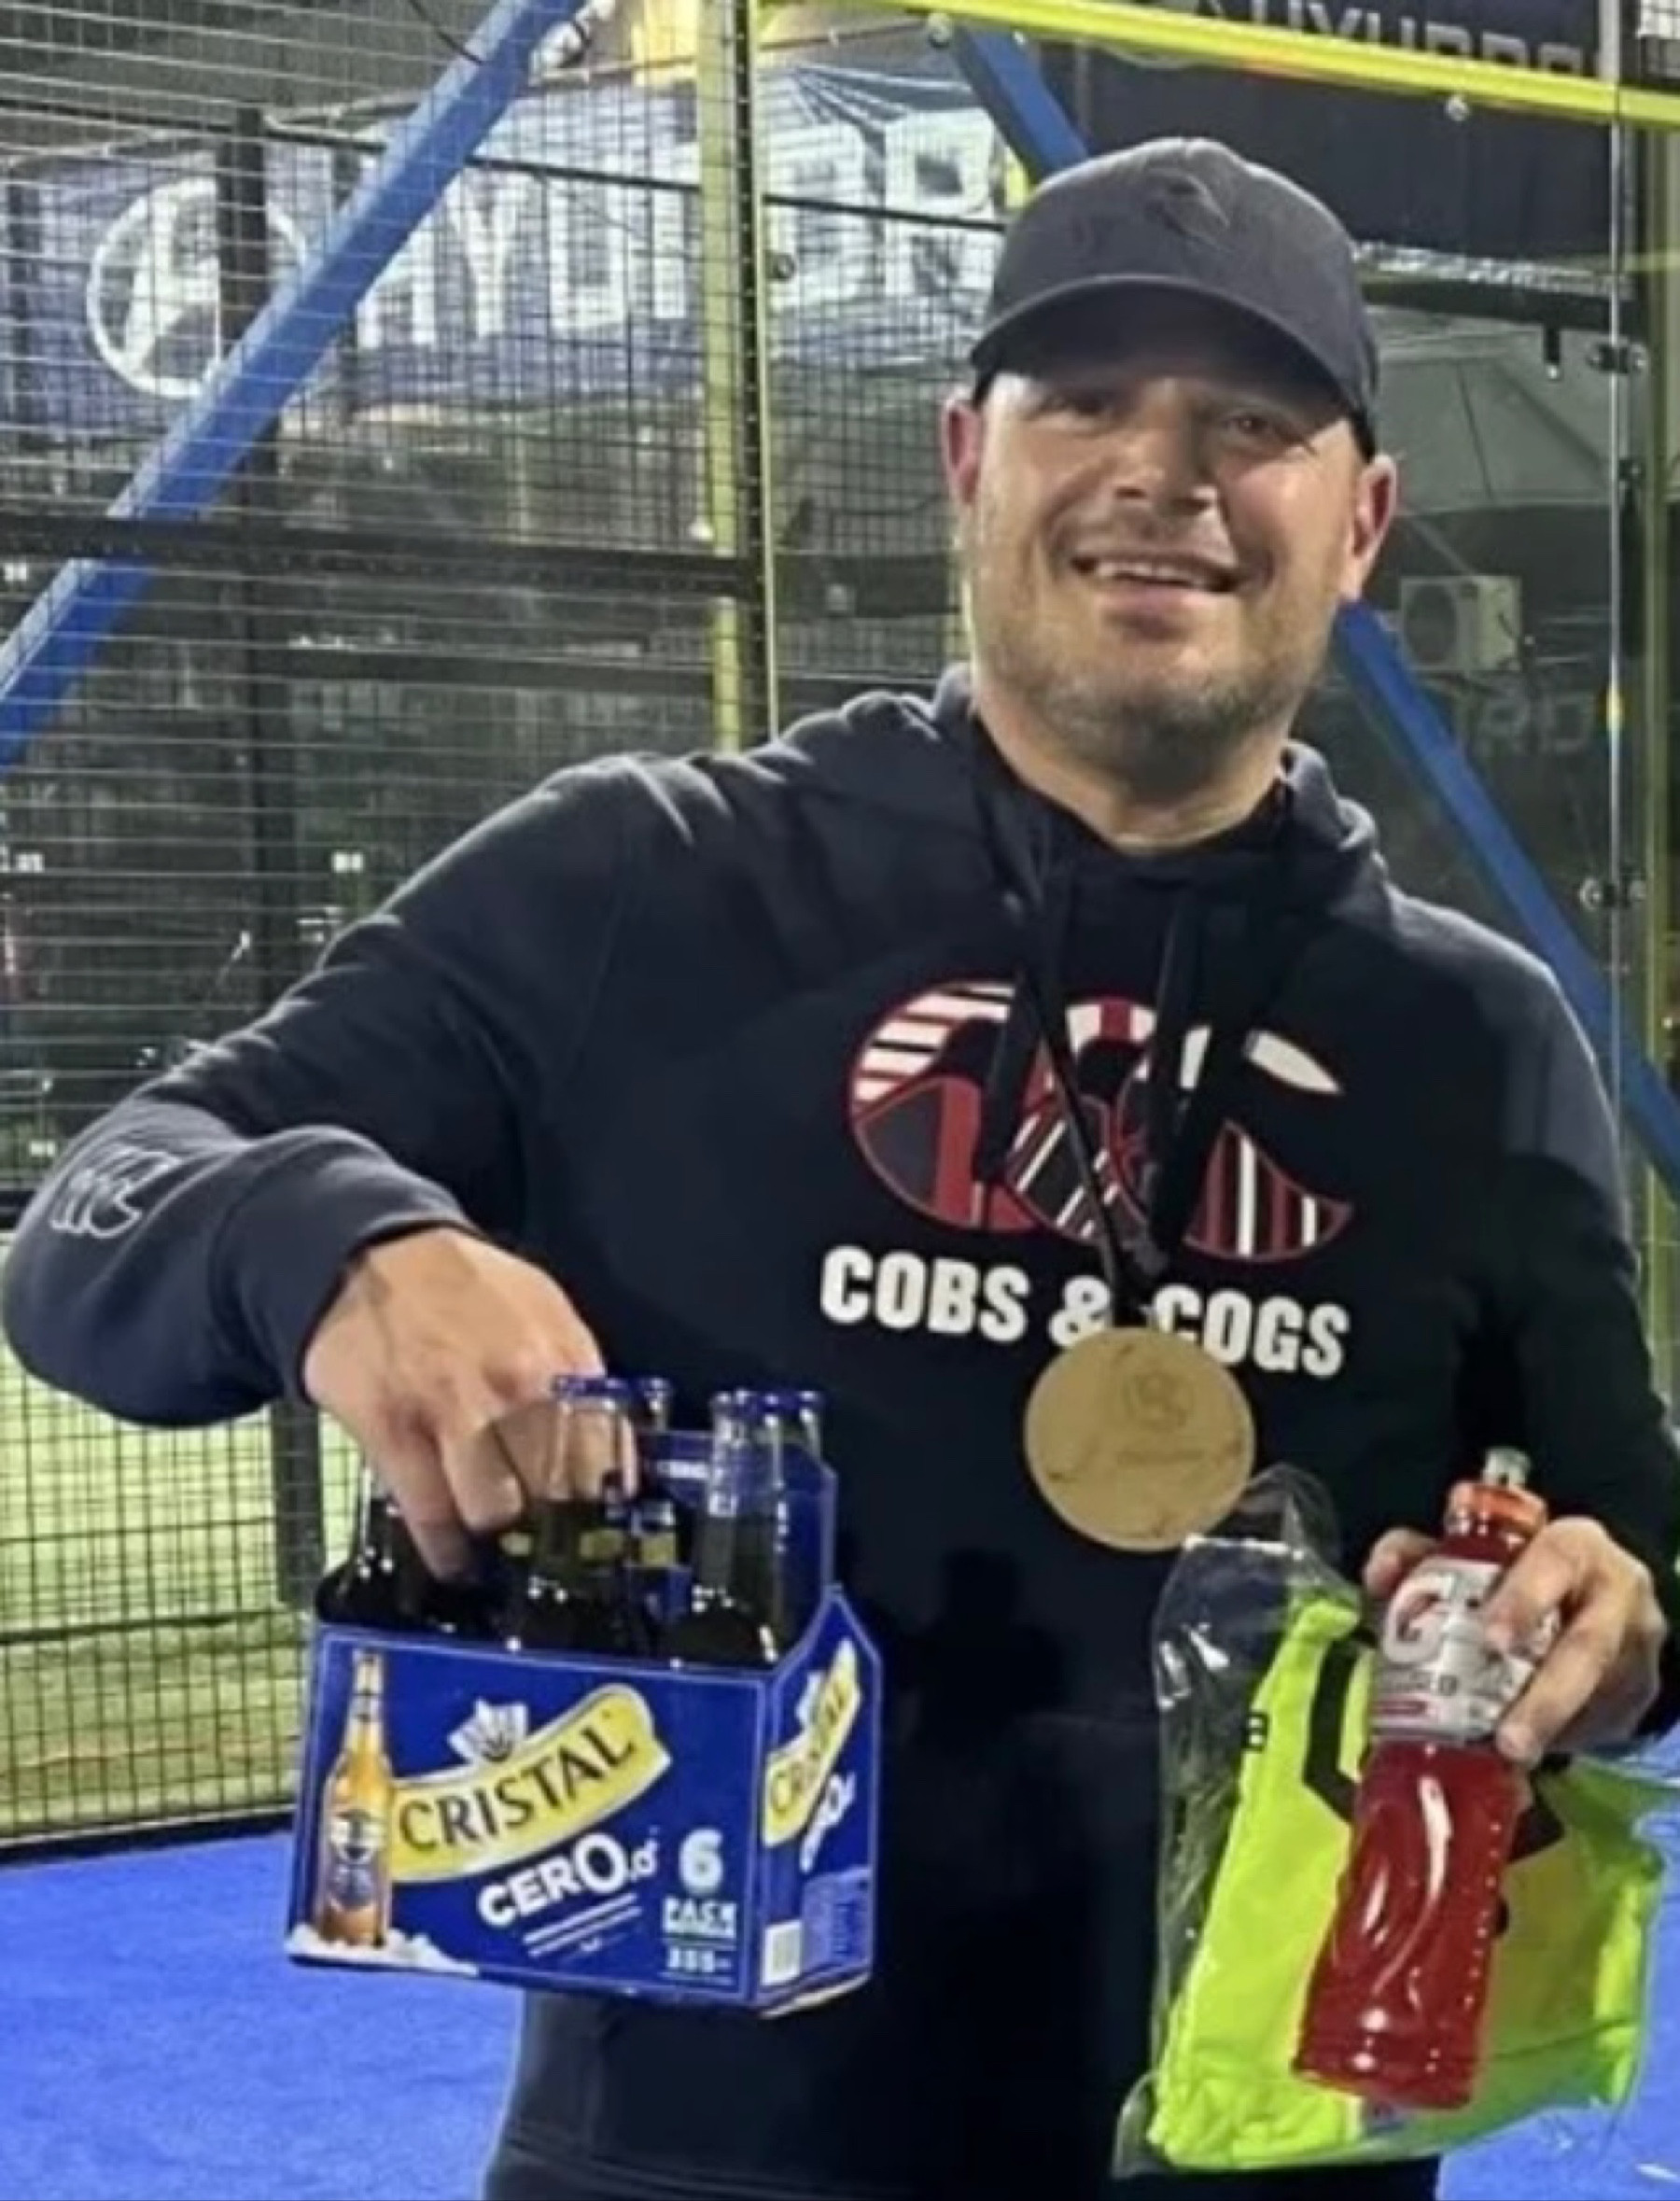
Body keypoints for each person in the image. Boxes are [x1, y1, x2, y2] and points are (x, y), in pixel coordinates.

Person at [6, 136, 1678, 2201]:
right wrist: (332, 1238)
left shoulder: (1477, 1038)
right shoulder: (641, 889)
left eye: (1253, 424)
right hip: (690, 2162)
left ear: (1364, 523)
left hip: (1275, 2161)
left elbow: (1639, 1559)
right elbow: (96, 1212)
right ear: (967, 460)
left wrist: (1613, 1620)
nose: (1164, 472)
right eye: (1088, 400)